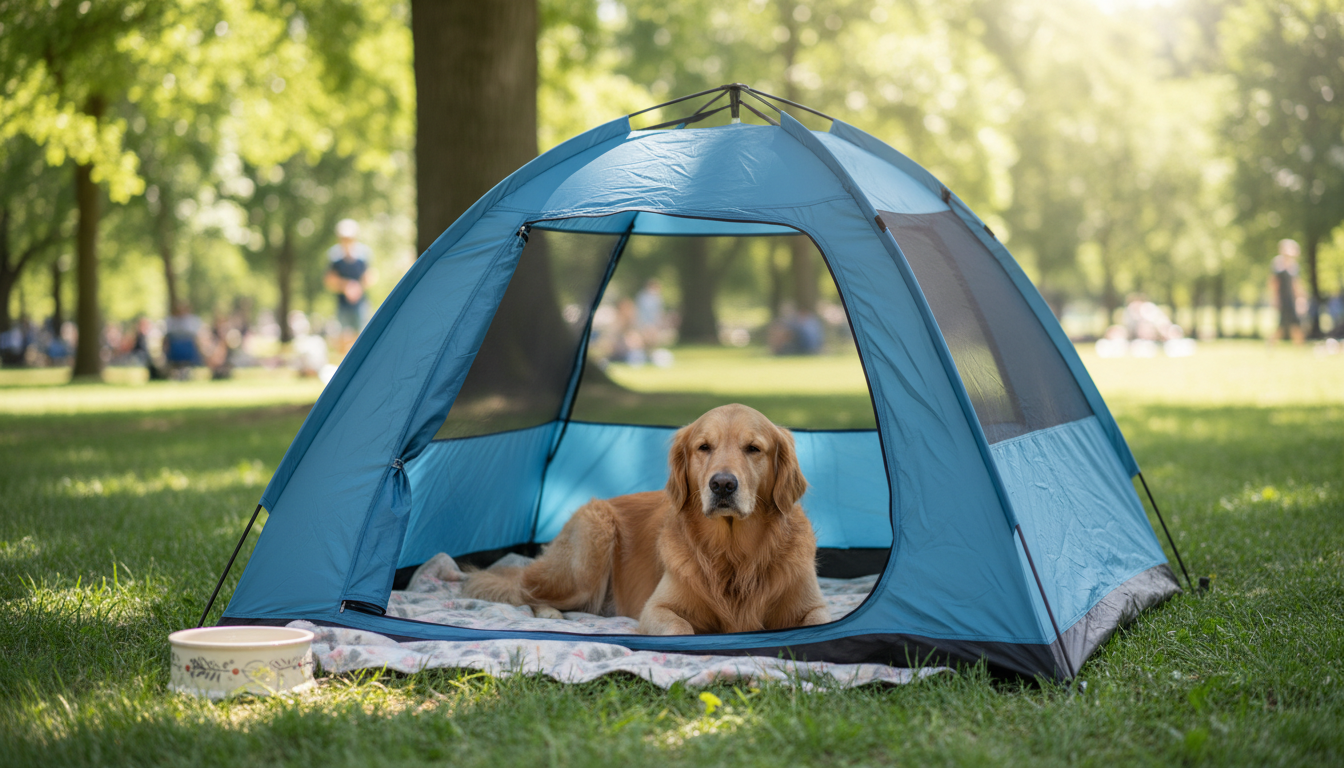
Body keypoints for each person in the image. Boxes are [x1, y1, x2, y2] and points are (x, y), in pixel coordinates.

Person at [324, 218, 377, 353]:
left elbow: (370, 276)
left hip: (360, 303)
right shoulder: (334, 256)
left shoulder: (363, 254)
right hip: (342, 304)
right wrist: (346, 286)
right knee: (342, 337)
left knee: (362, 335)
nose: (347, 240)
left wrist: (357, 287)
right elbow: (329, 280)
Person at [1268, 239, 1305, 346]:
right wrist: (1275, 299)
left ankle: (1299, 348)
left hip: (1292, 300)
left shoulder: (1294, 266)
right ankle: (1271, 344)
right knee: (1284, 325)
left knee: (1294, 324)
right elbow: (1273, 283)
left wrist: (1300, 299)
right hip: (1283, 300)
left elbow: (1296, 285)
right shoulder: (1278, 264)